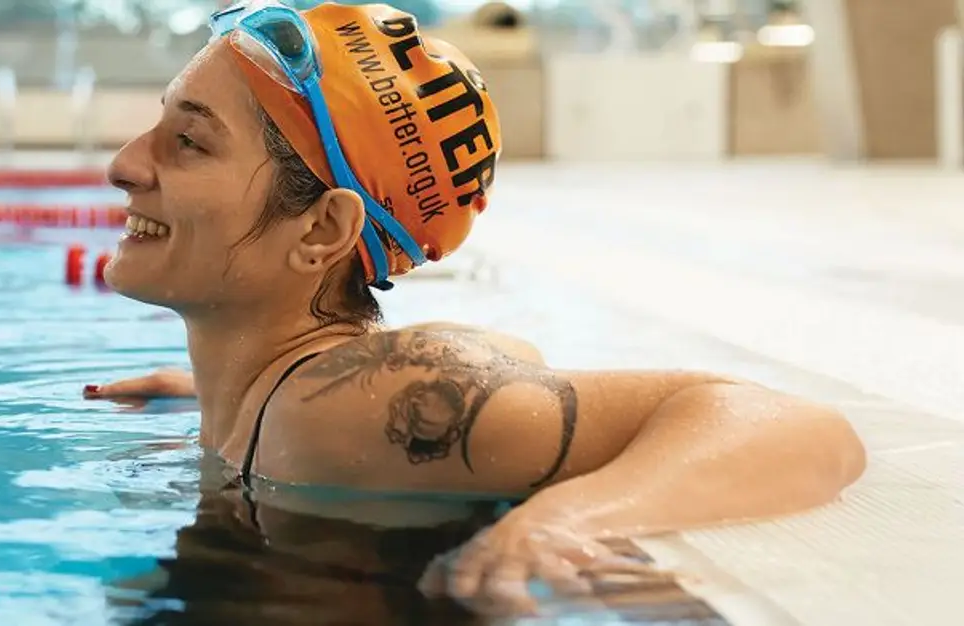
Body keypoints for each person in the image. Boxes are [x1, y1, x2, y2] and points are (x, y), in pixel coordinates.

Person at [83, 0, 867, 616]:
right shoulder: (309, 398)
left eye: (191, 141)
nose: (125, 164)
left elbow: (799, 428)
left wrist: (572, 519)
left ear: (323, 228)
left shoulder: (337, 412)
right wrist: (225, 381)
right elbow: (496, 352)